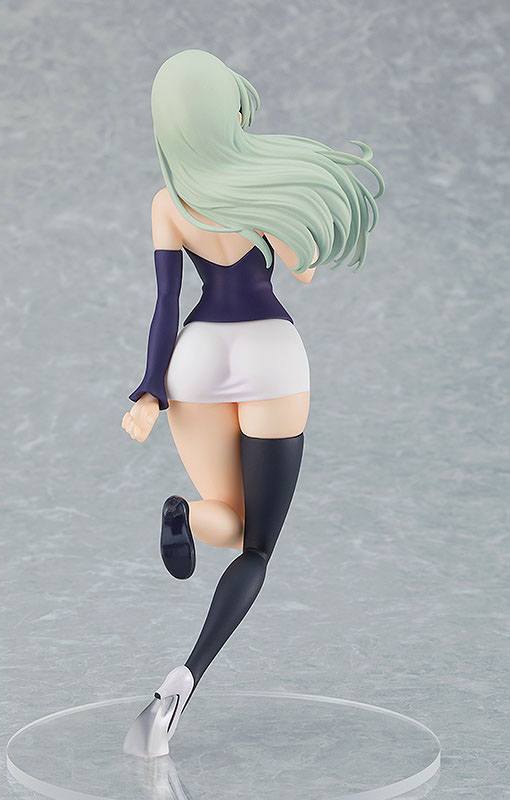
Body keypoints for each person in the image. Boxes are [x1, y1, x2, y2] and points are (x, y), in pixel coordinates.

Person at [121, 48, 384, 758]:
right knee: (256, 547)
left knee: (224, 514)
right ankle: (187, 676)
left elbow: (166, 303)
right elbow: (304, 267)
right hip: (271, 355)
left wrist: (151, 391)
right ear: (228, 114)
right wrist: (294, 219)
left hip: (198, 360)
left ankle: (182, 514)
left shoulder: (168, 203)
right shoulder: (263, 191)